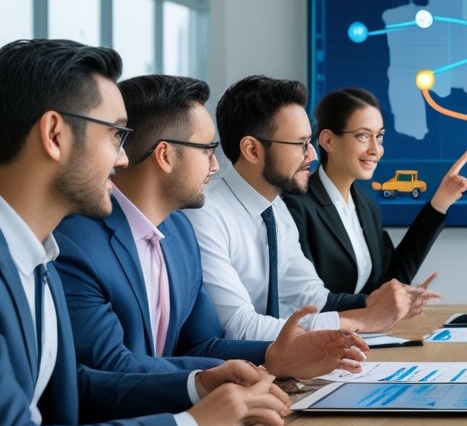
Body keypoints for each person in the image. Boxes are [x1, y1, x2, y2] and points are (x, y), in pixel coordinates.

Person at [0, 39, 289, 426]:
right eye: (115, 135)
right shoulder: (44, 254)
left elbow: (77, 387)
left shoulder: (36, 256)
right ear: (54, 134)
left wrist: (198, 386)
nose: (121, 159)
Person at [54, 74, 369, 378]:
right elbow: (108, 369)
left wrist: (274, 358)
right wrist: (202, 384)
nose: (216, 165)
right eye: (207, 150)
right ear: (165, 155)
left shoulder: (178, 232)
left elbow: (202, 343)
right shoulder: (77, 244)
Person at [184, 75, 440, 341]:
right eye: (300, 144)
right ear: (252, 149)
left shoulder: (276, 211)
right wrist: (361, 320)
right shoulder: (205, 215)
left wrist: (371, 303)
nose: (313, 155)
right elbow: (240, 328)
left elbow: (313, 298)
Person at [284, 86, 467, 295]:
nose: (375, 149)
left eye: (379, 137)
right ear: (328, 140)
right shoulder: (296, 206)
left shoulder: (366, 205)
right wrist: (370, 310)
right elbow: (308, 299)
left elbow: (389, 281)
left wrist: (439, 204)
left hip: (364, 328)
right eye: (363, 136)